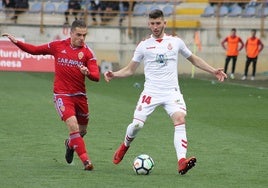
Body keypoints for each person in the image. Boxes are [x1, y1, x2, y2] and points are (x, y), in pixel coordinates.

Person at [104, 9, 227, 175]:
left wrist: (213, 71)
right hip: (151, 92)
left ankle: (181, 162)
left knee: (180, 118)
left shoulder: (176, 42)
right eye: (152, 23)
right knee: (137, 125)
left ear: (164, 23)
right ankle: (125, 145)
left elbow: (194, 59)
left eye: (158, 23)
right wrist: (114, 74)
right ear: (149, 24)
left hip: (171, 92)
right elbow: (130, 70)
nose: (155, 27)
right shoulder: (144, 46)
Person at [2, 20, 100, 171]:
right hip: (62, 94)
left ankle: (69, 144)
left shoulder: (87, 52)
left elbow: (96, 75)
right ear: (71, 33)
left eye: (84, 35)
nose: (82, 38)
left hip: (80, 96)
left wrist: (88, 73)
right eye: (79, 34)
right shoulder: (57, 46)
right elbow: (34, 50)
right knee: (73, 125)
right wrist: (16, 42)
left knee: (82, 131)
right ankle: (86, 162)